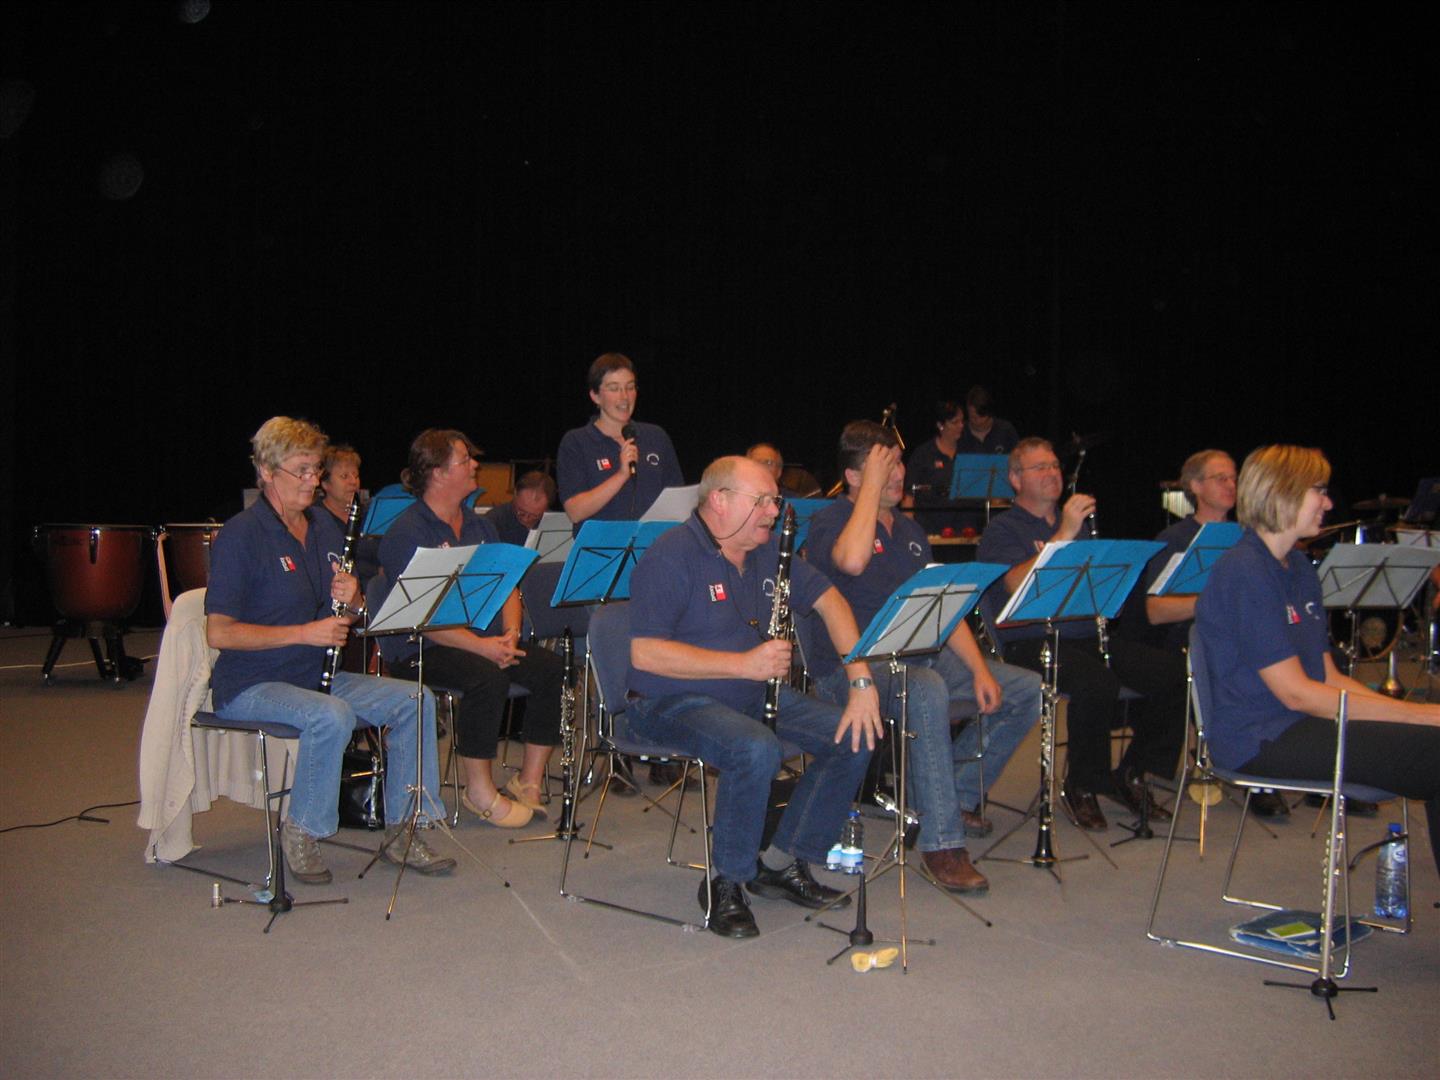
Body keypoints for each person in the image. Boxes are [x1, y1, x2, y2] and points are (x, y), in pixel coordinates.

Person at [626, 455, 884, 937]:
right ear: (719, 501)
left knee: (855, 733)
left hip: (748, 694)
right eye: (762, 500)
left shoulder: (767, 553)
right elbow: (645, 654)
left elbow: (832, 602)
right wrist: (743, 665)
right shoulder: (671, 554)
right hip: (668, 700)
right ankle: (727, 881)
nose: (774, 511)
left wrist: (861, 682)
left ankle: (782, 863)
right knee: (754, 747)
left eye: (775, 500)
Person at [206, 417, 454, 882]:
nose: (312, 481)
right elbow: (218, 633)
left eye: (315, 470)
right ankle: (301, 830)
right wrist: (305, 633)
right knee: (331, 715)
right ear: (266, 472)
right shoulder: (242, 535)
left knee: (414, 699)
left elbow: (349, 613)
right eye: (300, 471)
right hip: (251, 682)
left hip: (313, 675)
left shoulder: (322, 526)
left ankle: (404, 829)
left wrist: (355, 599)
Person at [804, 421, 1042, 893]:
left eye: (897, 463)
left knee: (1025, 689)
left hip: (916, 657)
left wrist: (979, 670)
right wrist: (869, 493)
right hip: (853, 669)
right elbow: (852, 561)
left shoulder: (910, 531)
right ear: (854, 477)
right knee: (927, 689)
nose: (898, 473)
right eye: (884, 466)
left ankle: (952, 796)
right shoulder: (831, 520)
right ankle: (942, 842)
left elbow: (941, 610)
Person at [1194, 445, 1440, 876]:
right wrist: (1418, 715)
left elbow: (1327, 677)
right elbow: (1298, 695)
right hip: (1259, 738)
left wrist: (1412, 715)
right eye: (1319, 491)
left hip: (1296, 722)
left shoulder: (1298, 568)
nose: (1328, 503)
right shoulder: (1244, 570)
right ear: (1281, 492)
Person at [976, 437, 1186, 830]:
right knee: (1096, 682)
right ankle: (1082, 785)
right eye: (1040, 467)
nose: (1052, 473)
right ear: (1016, 479)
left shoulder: (1081, 527)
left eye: (1055, 465)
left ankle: (1133, 772)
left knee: (1172, 673)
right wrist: (1063, 535)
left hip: (1086, 636)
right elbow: (1013, 585)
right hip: (1030, 640)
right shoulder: (1003, 529)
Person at [378, 430, 564, 829]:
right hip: (420, 647)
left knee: (550, 667)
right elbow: (423, 620)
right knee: (486, 677)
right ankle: (479, 790)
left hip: (481, 639)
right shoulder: (408, 533)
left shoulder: (479, 525)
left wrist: (510, 634)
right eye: (465, 460)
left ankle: (528, 781)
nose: (475, 465)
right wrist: (487, 650)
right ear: (438, 473)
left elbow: (508, 585)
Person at [1123, 450, 1238, 654]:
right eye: (1221, 478)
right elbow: (1155, 611)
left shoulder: (1246, 535)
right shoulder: (1175, 538)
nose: (1231, 485)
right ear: (1195, 486)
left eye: (1234, 478)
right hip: (1193, 646)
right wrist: (1213, 601)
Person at [557, 353, 683, 526]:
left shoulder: (656, 437)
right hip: (601, 543)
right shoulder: (576, 442)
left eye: (630, 387)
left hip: (654, 542)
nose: (624, 397)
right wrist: (622, 475)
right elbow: (575, 512)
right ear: (595, 396)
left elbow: (678, 499)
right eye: (614, 388)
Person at [905, 399, 971, 534]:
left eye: (962, 421)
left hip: (965, 529)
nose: (961, 426)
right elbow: (909, 495)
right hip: (930, 528)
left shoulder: (968, 451)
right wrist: (908, 531)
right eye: (955, 422)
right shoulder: (923, 454)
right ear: (940, 425)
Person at [487, 470, 557, 547]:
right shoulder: (493, 522)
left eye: (534, 515)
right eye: (521, 512)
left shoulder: (555, 524)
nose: (525, 519)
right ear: (515, 494)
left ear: (546, 509)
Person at [955, 385, 1020, 456]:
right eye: (973, 417)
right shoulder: (959, 433)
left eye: (981, 417)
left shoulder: (1006, 431)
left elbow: (1019, 458)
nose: (977, 421)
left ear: (989, 413)